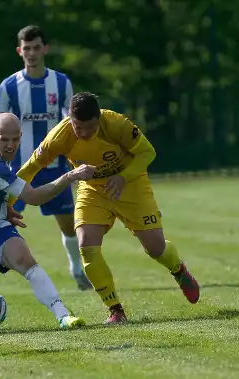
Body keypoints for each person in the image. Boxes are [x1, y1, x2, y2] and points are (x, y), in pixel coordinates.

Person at [14, 92, 201, 324]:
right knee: (86, 245)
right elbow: (29, 169)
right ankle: (116, 310)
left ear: (99, 118)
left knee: (155, 248)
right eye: (77, 127)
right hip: (92, 190)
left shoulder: (117, 124)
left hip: (130, 184)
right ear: (70, 118)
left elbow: (147, 152)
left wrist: (123, 177)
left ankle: (179, 270)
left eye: (88, 128)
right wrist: (9, 201)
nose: (82, 133)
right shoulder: (60, 135)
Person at [0, 113, 94, 329]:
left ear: (20, 136)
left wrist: (0, 206)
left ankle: (63, 316)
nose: (10, 145)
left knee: (25, 259)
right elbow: (33, 197)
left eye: (15, 139)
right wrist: (70, 176)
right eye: (4, 139)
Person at [0, 25, 92, 291]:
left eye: (37, 47)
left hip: (54, 166)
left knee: (68, 226)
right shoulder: (9, 86)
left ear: (45, 49)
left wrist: (76, 156)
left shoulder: (61, 83)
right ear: (19, 51)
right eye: (27, 48)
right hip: (18, 169)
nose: (32, 53)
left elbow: (73, 123)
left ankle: (76, 268)